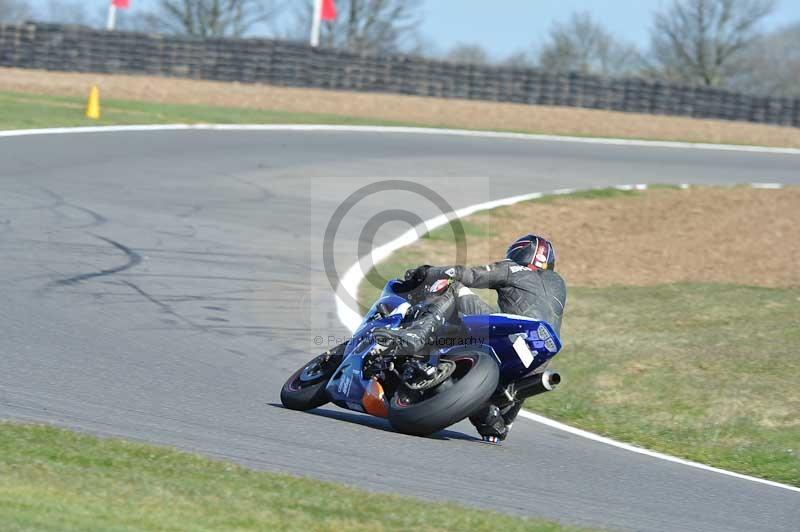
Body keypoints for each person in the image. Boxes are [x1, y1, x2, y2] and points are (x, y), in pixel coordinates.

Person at [373, 234, 566, 443]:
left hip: (513, 331)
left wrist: (426, 272)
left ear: (519, 253)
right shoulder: (558, 284)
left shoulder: (515, 269)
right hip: (542, 352)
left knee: (455, 288)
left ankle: (415, 337)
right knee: (518, 382)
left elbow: (468, 275)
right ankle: (497, 422)